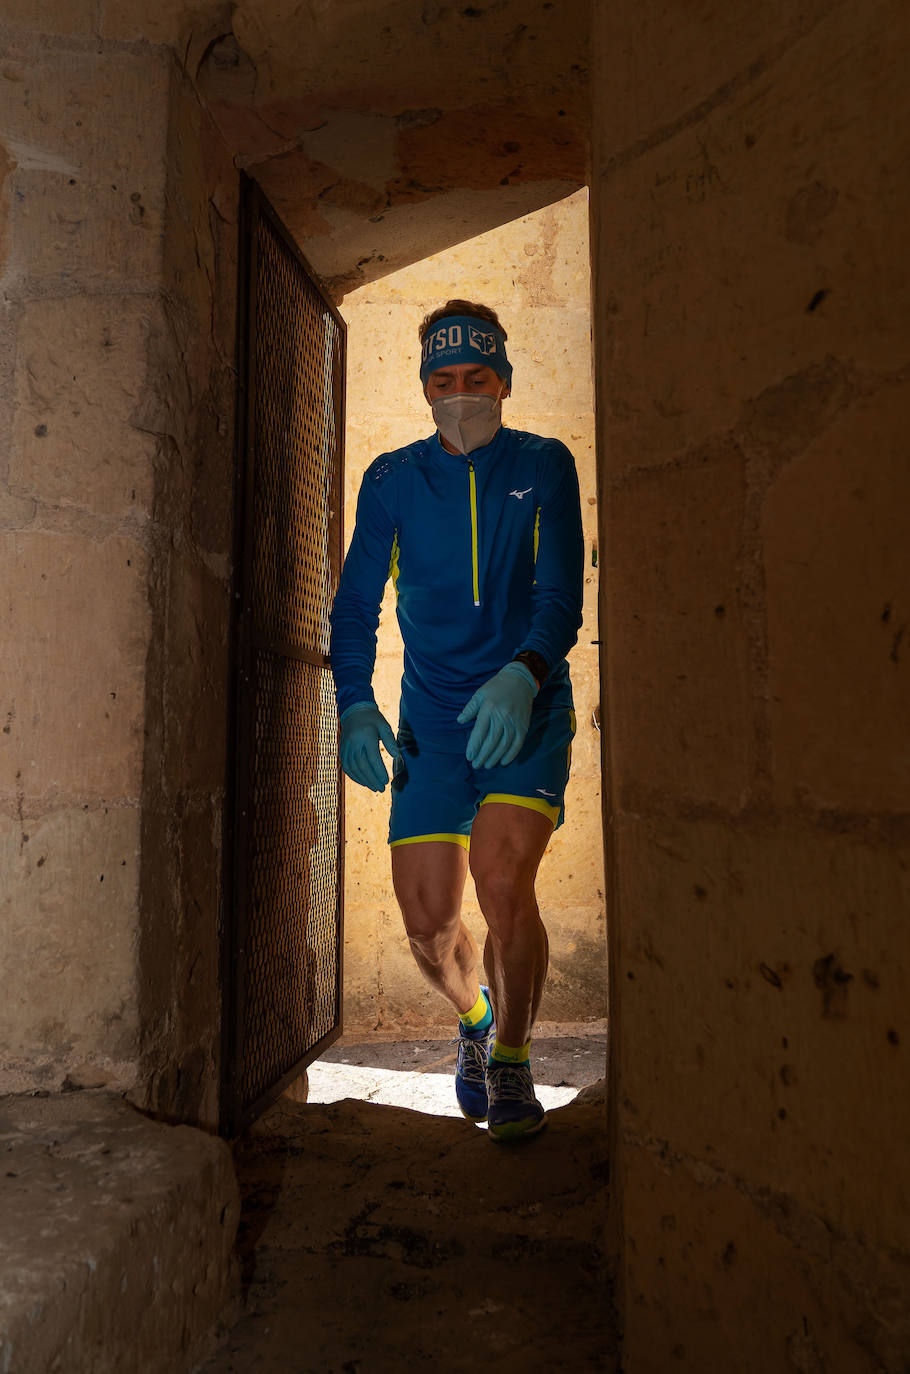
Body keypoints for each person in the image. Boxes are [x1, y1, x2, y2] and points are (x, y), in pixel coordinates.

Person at [329, 300, 584, 1141]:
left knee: (503, 880)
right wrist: (357, 702)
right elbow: (357, 604)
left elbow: (559, 594)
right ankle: (476, 1020)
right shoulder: (392, 480)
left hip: (525, 706)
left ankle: (511, 1061)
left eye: (477, 379)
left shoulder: (545, 464)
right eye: (445, 381)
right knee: (428, 923)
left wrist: (527, 672)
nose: (461, 395)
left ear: (503, 381)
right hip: (431, 725)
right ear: (426, 387)